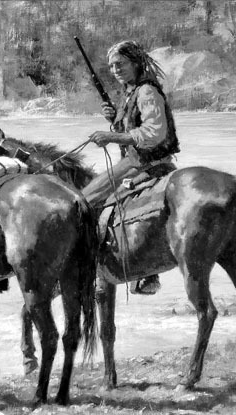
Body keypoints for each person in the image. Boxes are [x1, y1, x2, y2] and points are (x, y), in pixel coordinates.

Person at [83, 40, 180, 295]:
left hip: (143, 164)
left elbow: (153, 133)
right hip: (137, 162)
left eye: (121, 64)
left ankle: (92, 266)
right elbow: (132, 130)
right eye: (112, 66)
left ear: (136, 63)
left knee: (83, 201)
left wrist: (112, 136)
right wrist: (114, 118)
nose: (116, 70)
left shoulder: (147, 92)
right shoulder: (132, 93)